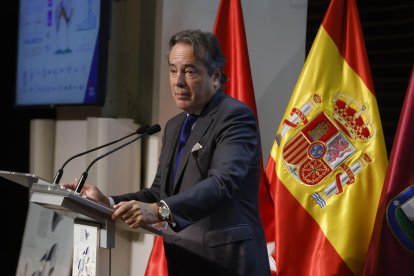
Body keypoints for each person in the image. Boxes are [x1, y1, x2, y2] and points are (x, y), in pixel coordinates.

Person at [62, 29, 270, 276]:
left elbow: (223, 183)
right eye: (173, 70)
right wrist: (106, 202)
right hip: (184, 261)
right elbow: (158, 192)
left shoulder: (234, 116)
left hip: (227, 264)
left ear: (215, 76)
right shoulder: (174, 126)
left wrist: (159, 210)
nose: (178, 81)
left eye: (189, 71)